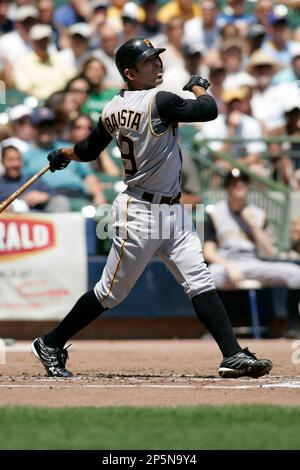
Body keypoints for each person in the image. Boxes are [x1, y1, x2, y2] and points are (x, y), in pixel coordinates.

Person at [31, 37, 272, 379]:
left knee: (199, 280)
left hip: (171, 210)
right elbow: (209, 110)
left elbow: (87, 150)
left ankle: (232, 354)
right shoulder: (159, 100)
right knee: (111, 293)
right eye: (148, 62)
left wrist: (64, 154)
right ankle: (50, 342)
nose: (157, 64)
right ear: (130, 72)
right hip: (140, 211)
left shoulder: (112, 107)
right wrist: (200, 87)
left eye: (157, 58)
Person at [203, 168, 300, 338]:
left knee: (296, 273)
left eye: (243, 182)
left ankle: (293, 327)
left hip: (252, 262)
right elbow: (208, 252)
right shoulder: (214, 213)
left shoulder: (257, 213)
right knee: (208, 276)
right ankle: (215, 331)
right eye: (234, 183)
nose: (239, 186)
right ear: (227, 187)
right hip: (226, 264)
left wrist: (253, 225)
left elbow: (268, 250)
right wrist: (229, 266)